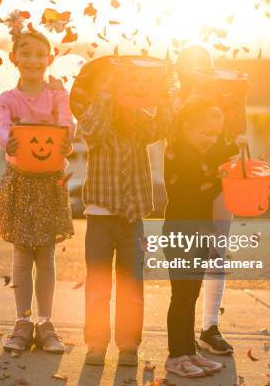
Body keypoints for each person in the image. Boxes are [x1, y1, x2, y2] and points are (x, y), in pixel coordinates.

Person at [70, 55, 173, 367]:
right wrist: (108, 92)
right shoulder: (97, 121)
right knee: (99, 285)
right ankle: (97, 344)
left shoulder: (139, 122)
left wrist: (164, 93)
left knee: (132, 284)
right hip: (100, 218)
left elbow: (163, 126)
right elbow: (89, 129)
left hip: (133, 220)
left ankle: (128, 344)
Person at [0, 30, 75, 354]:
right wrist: (6, 140)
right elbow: (1, 126)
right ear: (14, 58)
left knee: (46, 256)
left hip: (49, 181)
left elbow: (68, 122)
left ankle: (45, 323)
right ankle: (22, 322)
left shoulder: (57, 96)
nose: (32, 60)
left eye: (40, 54)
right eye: (25, 53)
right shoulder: (7, 99)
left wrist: (68, 134)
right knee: (22, 254)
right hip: (21, 179)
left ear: (50, 59)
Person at [174, 45, 249, 355]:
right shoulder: (177, 102)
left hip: (221, 183)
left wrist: (239, 100)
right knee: (188, 257)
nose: (196, 72)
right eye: (190, 67)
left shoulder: (227, 101)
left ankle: (209, 327)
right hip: (189, 188)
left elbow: (238, 141)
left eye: (203, 67)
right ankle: (183, 330)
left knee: (216, 252)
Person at [162, 96, 227, 377]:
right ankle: (175, 356)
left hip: (200, 231)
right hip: (180, 232)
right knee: (181, 295)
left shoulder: (200, 155)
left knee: (191, 294)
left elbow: (208, 189)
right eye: (205, 132)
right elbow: (192, 190)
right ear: (187, 128)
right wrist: (219, 176)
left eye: (215, 134)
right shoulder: (178, 153)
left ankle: (189, 350)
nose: (211, 139)